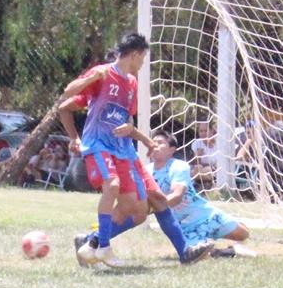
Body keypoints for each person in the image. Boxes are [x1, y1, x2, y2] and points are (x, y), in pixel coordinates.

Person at [59, 33, 213, 268]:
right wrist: (74, 138)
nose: (143, 64)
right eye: (142, 58)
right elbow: (67, 102)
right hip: (107, 151)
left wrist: (144, 139)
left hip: (127, 153)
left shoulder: (131, 84)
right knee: (136, 206)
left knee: (145, 208)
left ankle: (94, 240)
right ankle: (98, 243)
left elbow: (127, 123)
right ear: (134, 55)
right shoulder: (100, 79)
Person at [148, 130, 250, 253]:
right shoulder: (145, 172)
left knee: (243, 233)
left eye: (160, 143)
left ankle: (219, 229)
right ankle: (224, 252)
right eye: (153, 142)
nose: (155, 145)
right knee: (197, 253)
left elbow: (177, 196)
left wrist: (153, 208)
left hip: (203, 214)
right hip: (182, 226)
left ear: (172, 150)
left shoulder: (178, 166)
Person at [190, 121, 218, 189]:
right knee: (195, 170)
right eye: (201, 131)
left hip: (216, 169)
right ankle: (204, 181)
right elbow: (196, 164)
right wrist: (198, 156)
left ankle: (201, 181)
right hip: (202, 169)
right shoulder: (197, 143)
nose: (203, 133)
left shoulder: (218, 143)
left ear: (211, 131)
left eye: (205, 131)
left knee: (204, 172)